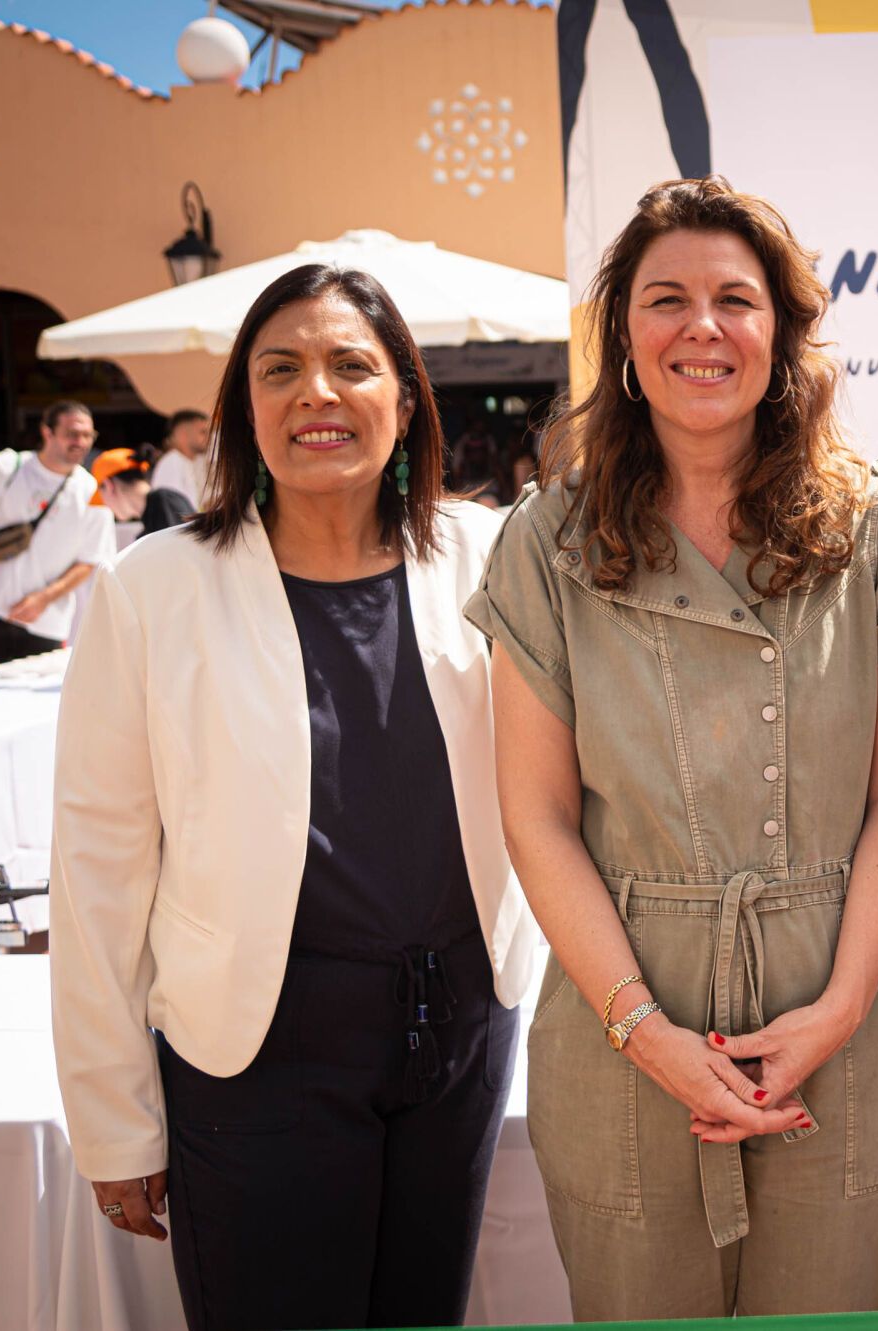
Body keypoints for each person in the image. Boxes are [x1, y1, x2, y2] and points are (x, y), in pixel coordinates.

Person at [467, 176, 878, 1321]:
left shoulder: (876, 520)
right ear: (624, 333)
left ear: (780, 332)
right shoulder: (545, 541)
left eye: (737, 298)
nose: (703, 328)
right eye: (665, 298)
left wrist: (836, 1007)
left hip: (845, 1011)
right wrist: (649, 1031)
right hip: (623, 1020)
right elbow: (533, 813)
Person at [50, 264, 540, 1331]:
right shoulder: (153, 589)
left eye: (350, 365)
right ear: (243, 413)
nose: (316, 390)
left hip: (455, 1032)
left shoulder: (494, 557)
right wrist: (114, 1119)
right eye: (281, 370)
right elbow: (96, 866)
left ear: (404, 402)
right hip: (258, 1051)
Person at [0, 401, 114, 669]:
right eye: (72, 433)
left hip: (45, 622)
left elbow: (90, 561)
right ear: (47, 432)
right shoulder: (5, 467)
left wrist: (43, 599)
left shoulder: (91, 491)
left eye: (88, 435)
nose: (81, 442)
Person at [90, 446, 194, 545]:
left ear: (108, 486)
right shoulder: (159, 507)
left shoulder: (162, 500)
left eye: (102, 499)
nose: (107, 507)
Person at [149, 408, 211, 509]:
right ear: (183, 435)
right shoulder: (172, 462)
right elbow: (172, 510)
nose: (208, 437)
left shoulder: (190, 462)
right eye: (203, 432)